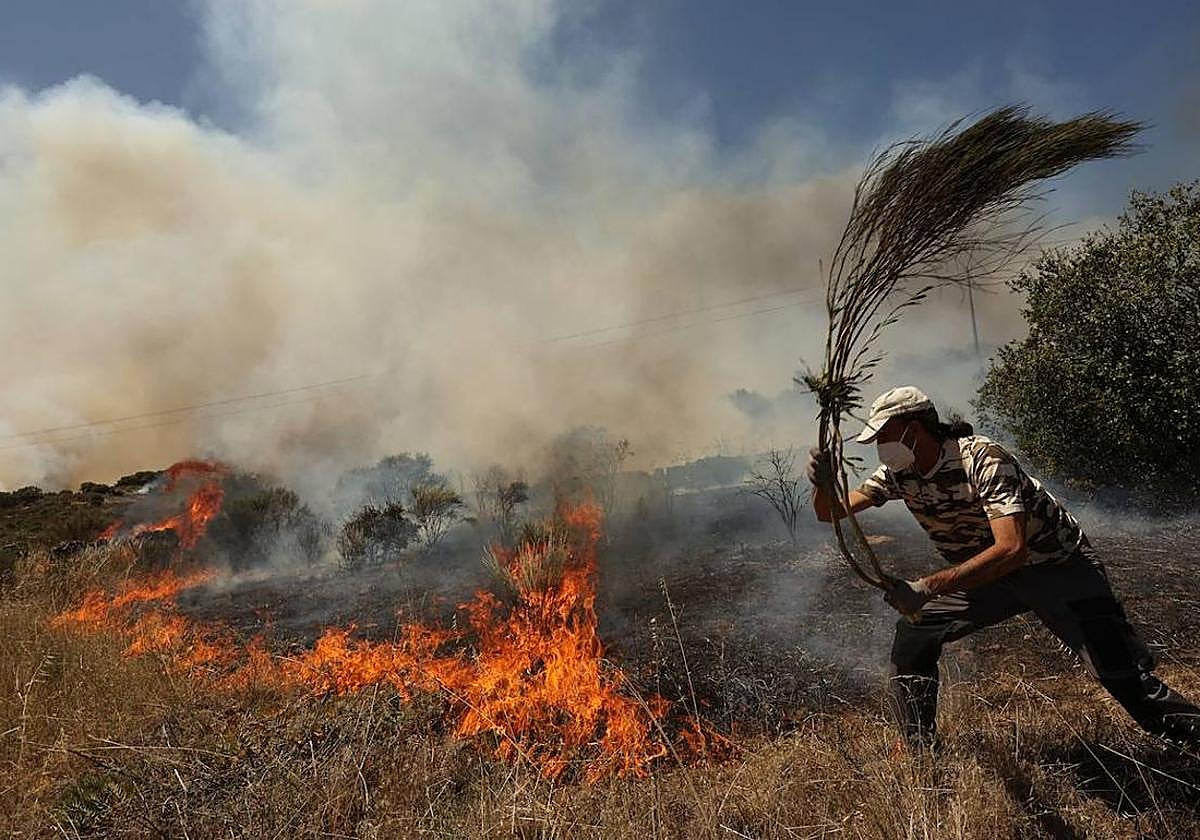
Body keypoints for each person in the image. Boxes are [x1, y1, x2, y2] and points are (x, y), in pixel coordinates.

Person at [805, 385, 1200, 748]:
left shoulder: (982, 459)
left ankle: (1190, 738)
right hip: (987, 576)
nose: (881, 447)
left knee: (1119, 673)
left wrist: (925, 587)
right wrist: (823, 483)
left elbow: (1012, 549)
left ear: (913, 428)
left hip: (1057, 565)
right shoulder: (899, 474)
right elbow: (831, 513)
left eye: (885, 436)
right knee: (914, 634)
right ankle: (921, 750)